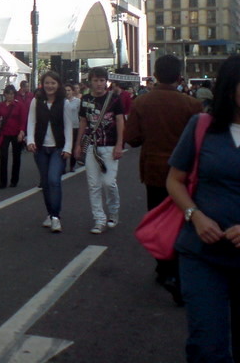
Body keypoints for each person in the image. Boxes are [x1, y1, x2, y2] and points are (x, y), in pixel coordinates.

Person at [166, 55, 240, 363]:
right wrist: (195, 216)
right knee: (208, 346)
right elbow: (174, 180)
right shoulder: (202, 126)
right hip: (202, 254)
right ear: (230, 88)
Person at [124, 55, 202, 306]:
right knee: (183, 220)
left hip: (154, 171)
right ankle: (178, 269)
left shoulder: (142, 102)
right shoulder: (192, 105)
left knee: (158, 219)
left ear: (155, 75)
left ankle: (164, 267)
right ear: (179, 77)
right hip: (184, 174)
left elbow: (132, 138)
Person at [75, 67, 124, 234]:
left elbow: (120, 121)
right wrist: (78, 144)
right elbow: (83, 122)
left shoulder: (114, 99)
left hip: (110, 145)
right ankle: (99, 219)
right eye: (95, 80)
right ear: (90, 81)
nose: (99, 84)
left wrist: (119, 144)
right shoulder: (85, 99)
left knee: (109, 182)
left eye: (102, 80)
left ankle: (113, 211)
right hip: (92, 145)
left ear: (106, 82)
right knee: (93, 184)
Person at [26, 71, 72, 233]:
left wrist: (68, 147)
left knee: (54, 180)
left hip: (58, 148)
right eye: (47, 83)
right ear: (42, 84)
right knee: (45, 183)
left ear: (58, 85)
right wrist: (30, 140)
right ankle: (50, 213)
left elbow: (68, 126)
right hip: (40, 147)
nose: (50, 86)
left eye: (53, 83)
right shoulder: (36, 101)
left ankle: (55, 216)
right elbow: (31, 122)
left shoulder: (64, 103)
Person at [0, 85, 25, 188]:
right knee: (3, 157)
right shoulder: (1, 105)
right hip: (5, 133)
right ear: (5, 94)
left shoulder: (19, 105)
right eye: (8, 94)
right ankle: (3, 182)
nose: (10, 96)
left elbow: (23, 120)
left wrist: (21, 132)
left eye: (12, 94)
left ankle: (14, 180)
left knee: (16, 157)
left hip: (16, 133)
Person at [64, 83, 81, 173]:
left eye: (69, 90)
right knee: (64, 146)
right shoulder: (61, 101)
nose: (67, 92)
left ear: (72, 91)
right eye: (65, 90)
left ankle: (72, 165)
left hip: (75, 127)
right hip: (64, 127)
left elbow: (81, 115)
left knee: (74, 146)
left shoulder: (77, 101)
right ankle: (62, 166)